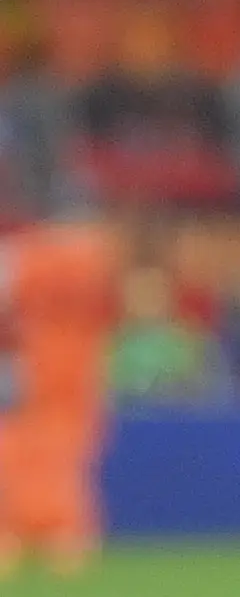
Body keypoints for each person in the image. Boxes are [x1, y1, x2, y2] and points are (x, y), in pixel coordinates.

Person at [0, 218, 119, 577]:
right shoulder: (28, 279)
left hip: (69, 391)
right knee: (20, 455)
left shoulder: (86, 301)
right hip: (36, 389)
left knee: (60, 460)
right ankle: (17, 533)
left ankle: (62, 534)